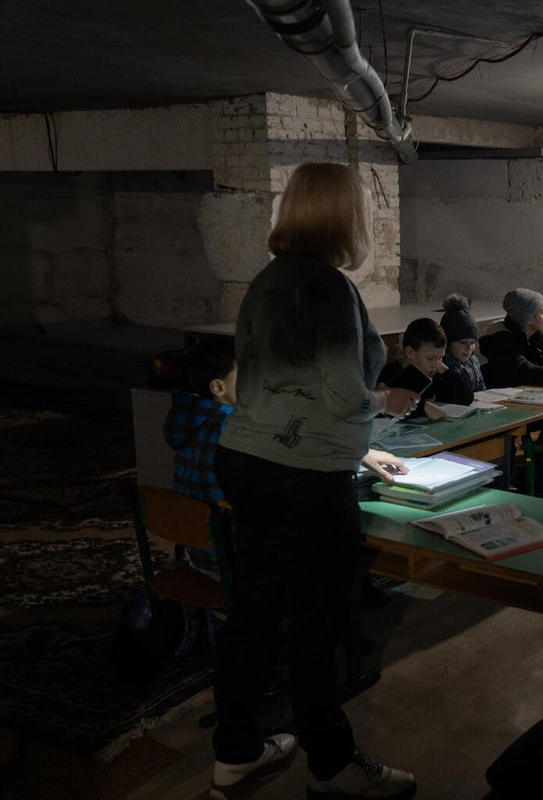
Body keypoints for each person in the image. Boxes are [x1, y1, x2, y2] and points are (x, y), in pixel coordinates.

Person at [211, 163, 420, 800]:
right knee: (315, 623)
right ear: (342, 215)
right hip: (304, 479)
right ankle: (331, 767)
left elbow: (264, 384)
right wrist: (387, 402)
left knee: (251, 613)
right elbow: (340, 394)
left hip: (248, 460)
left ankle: (236, 752)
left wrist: (354, 441)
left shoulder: (267, 280)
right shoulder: (326, 287)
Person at [163, 335, 237, 580]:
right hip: (229, 560)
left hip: (196, 553)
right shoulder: (230, 428)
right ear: (218, 387)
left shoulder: (188, 417)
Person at [377, 317, 447, 418]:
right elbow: (382, 412)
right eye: (430, 359)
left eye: (441, 358)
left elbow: (464, 397)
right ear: (410, 352)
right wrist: (423, 408)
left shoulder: (433, 374)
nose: (436, 365)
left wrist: (444, 370)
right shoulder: (388, 377)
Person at [436, 294, 486, 406]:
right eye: (463, 342)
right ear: (447, 343)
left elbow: (481, 390)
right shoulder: (441, 367)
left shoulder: (473, 361)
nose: (469, 348)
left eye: (472, 342)